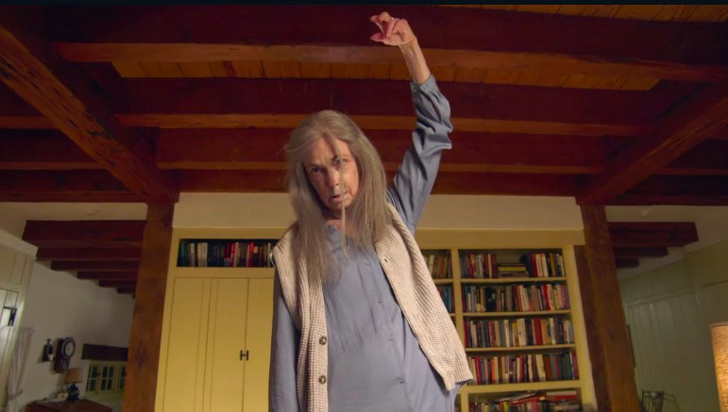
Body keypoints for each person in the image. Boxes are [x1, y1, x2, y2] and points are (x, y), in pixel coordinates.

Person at [269, 11, 472, 412]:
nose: (333, 181)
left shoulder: (394, 215)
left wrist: (410, 49)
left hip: (428, 401)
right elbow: (284, 360)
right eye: (317, 170)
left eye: (340, 162)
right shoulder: (294, 252)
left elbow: (435, 130)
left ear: (359, 160)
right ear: (306, 178)